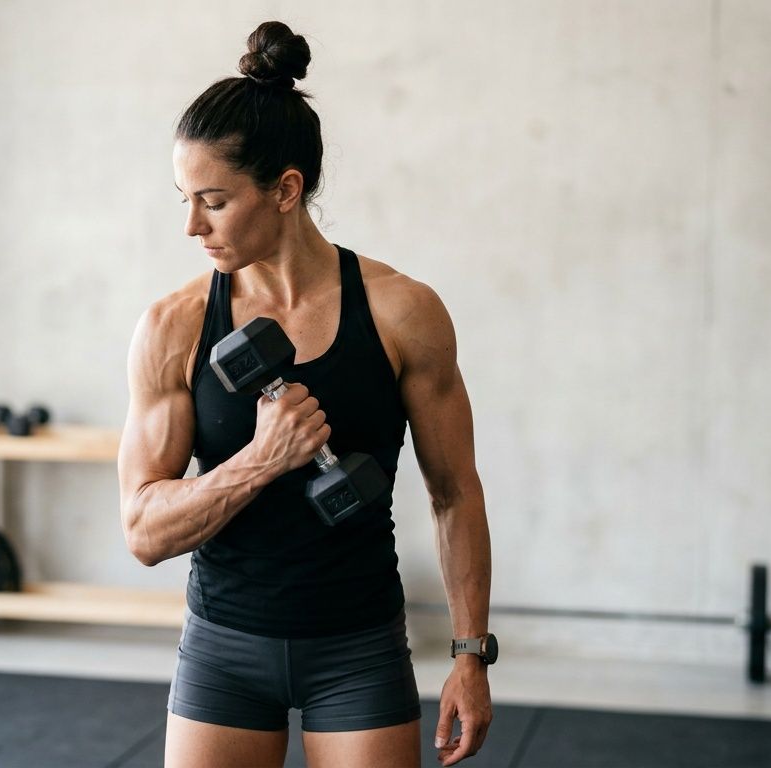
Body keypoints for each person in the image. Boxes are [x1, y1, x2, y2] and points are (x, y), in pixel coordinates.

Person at [118, 20, 494, 768]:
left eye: (214, 201)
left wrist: (469, 654)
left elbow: (454, 491)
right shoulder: (175, 325)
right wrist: (262, 460)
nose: (191, 225)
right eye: (184, 198)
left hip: (358, 648)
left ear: (285, 189)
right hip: (223, 650)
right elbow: (144, 532)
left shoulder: (401, 313)